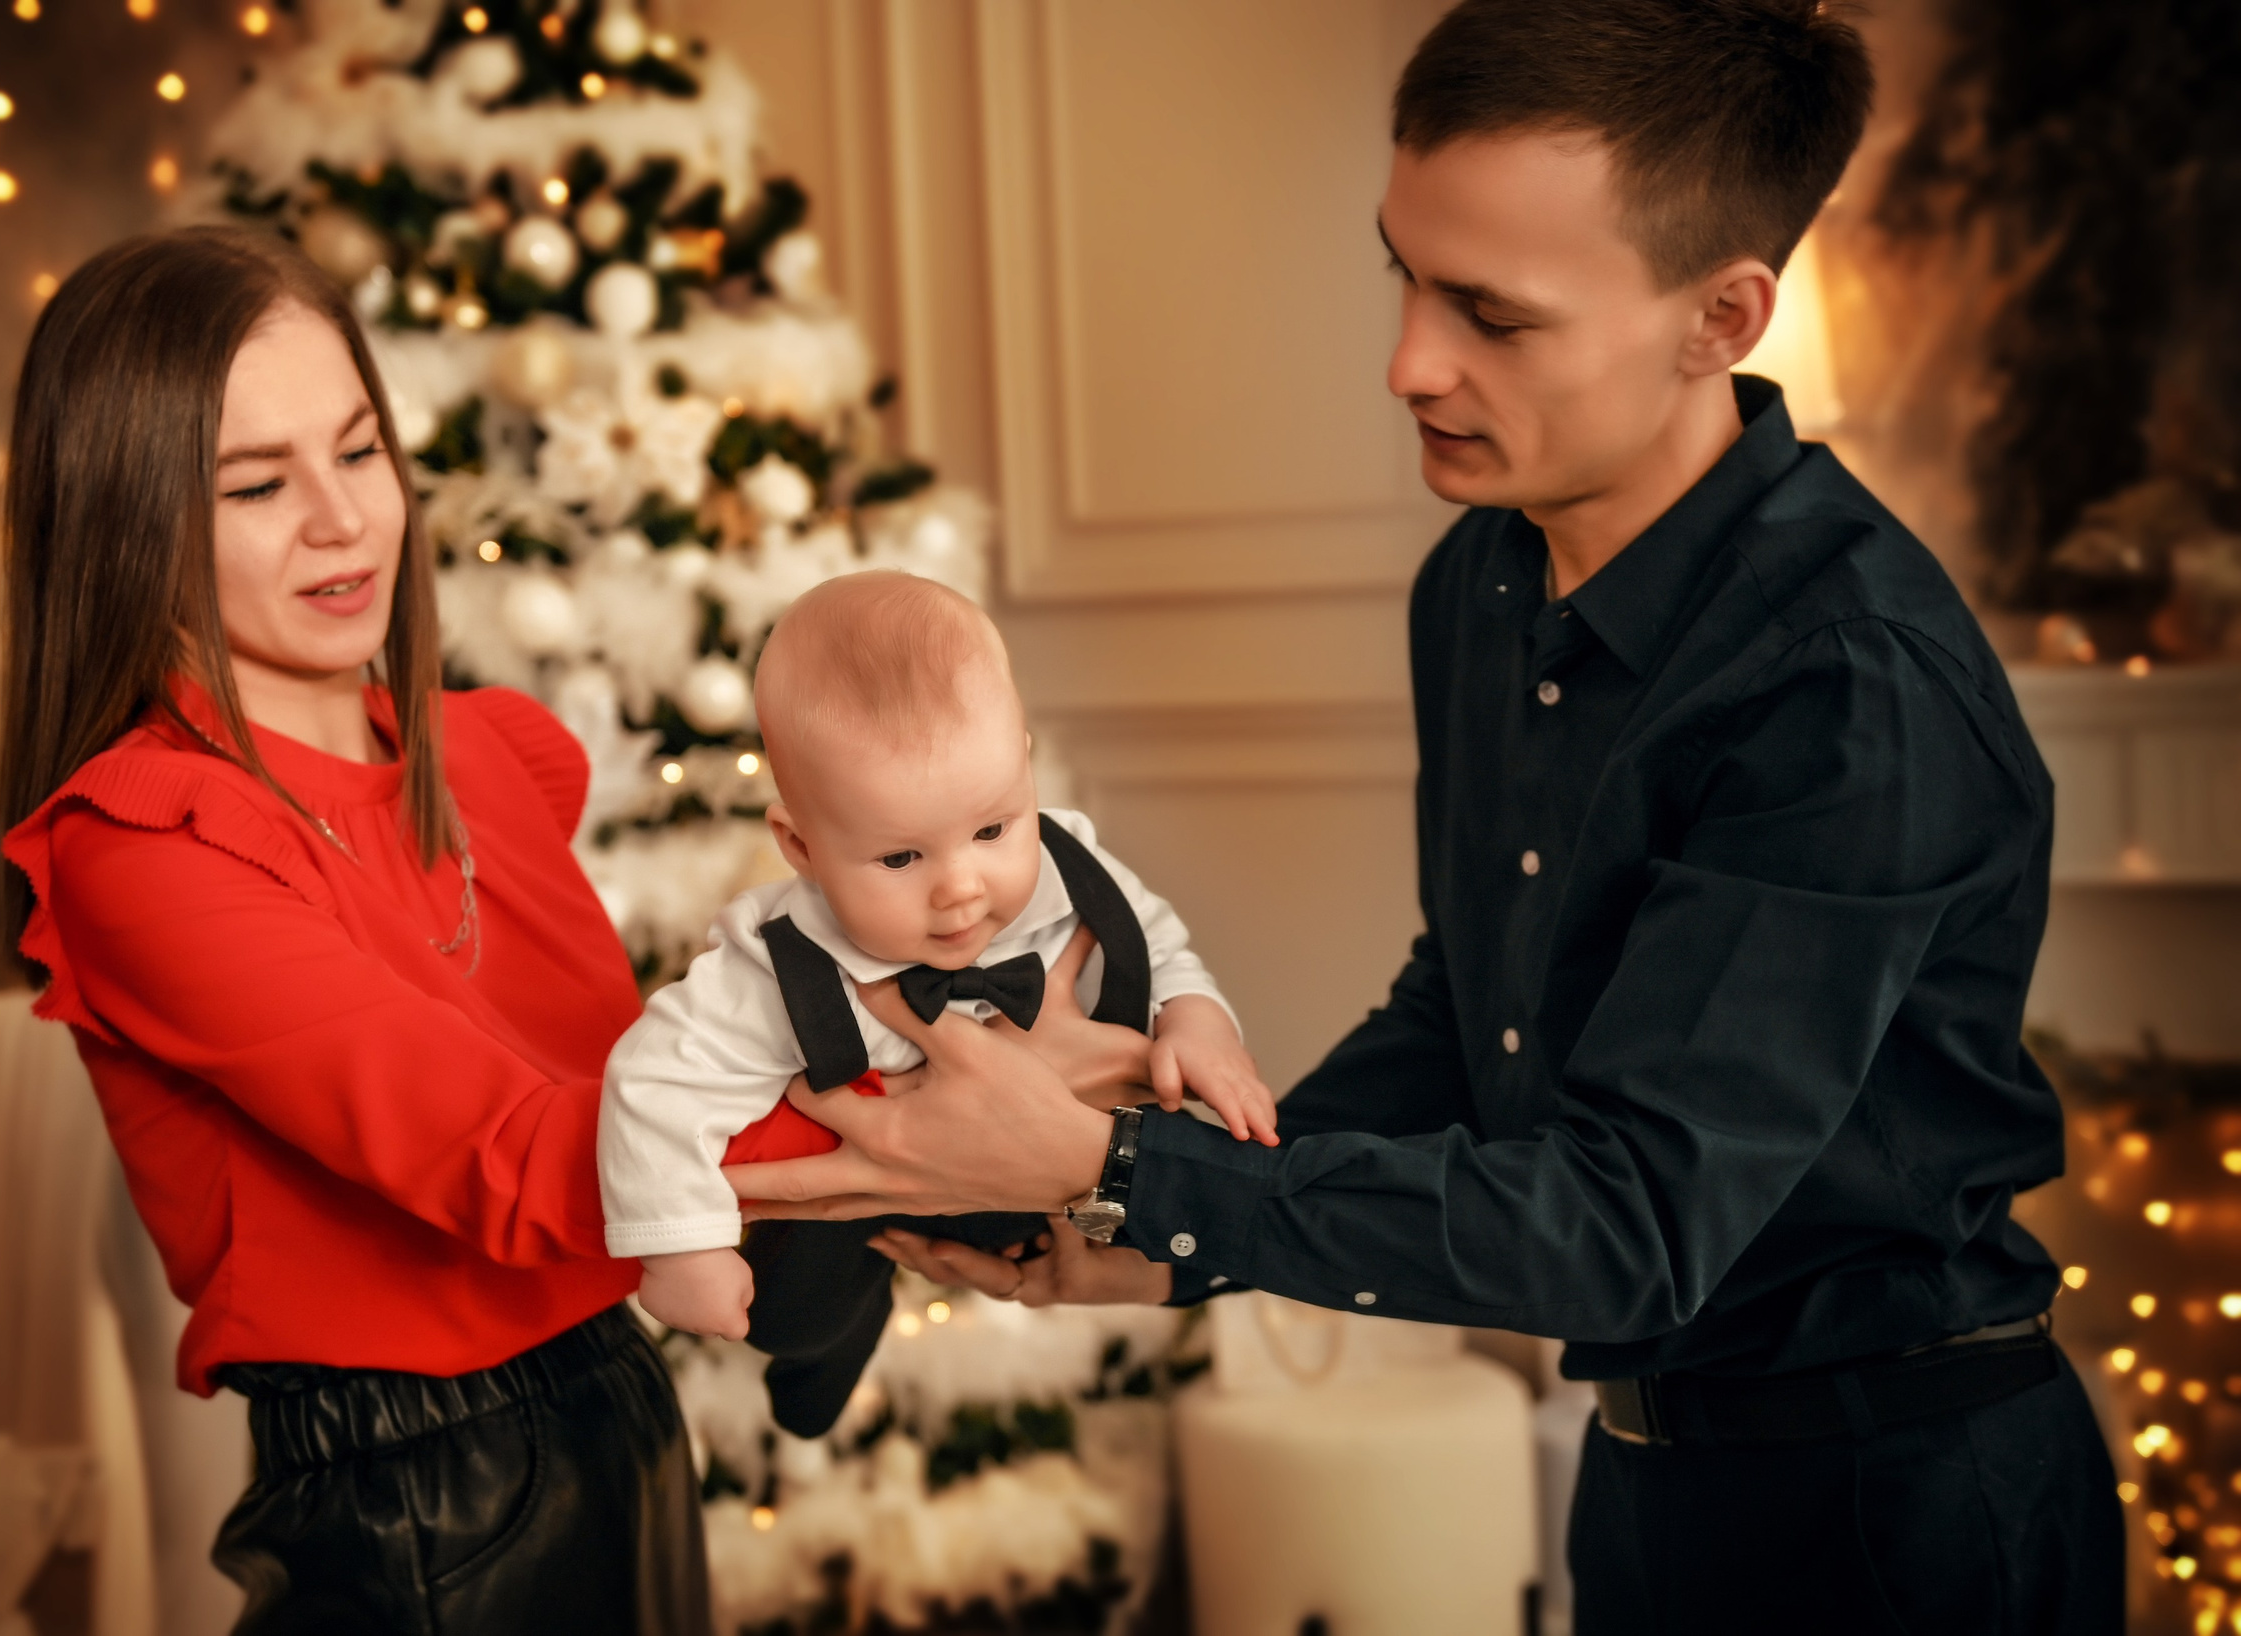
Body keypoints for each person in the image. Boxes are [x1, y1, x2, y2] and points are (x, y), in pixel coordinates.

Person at [721, 2, 2122, 1630]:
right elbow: (1477, 1017)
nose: (1408, 361)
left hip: (1901, 1520)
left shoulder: (1844, 687)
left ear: (1719, 316)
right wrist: (1165, 1210)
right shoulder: (1483, 581)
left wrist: (1132, 1167)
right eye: (1404, 269)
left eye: (1491, 314)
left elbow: (1628, 1224)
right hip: (1646, 1483)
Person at [0, 226, 710, 1635]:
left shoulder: (495, 761)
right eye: (257, 484)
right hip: (420, 1504)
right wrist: (902, 1141)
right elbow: (509, 1159)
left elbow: (643, 1079)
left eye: (361, 452)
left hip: (620, 1410)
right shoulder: (138, 846)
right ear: (128, 522)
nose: (343, 521)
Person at [598, 571, 1272, 1433]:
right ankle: (835, 1339)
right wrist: (680, 1247)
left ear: (1023, 765)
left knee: (1192, 1151)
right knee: (786, 1313)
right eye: (899, 859)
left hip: (1058, 1158)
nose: (960, 888)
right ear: (799, 845)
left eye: (993, 830)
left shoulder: (1070, 867)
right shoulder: (770, 971)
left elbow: (1161, 941)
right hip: (869, 1183)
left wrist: (1196, 1019)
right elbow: (653, 1085)